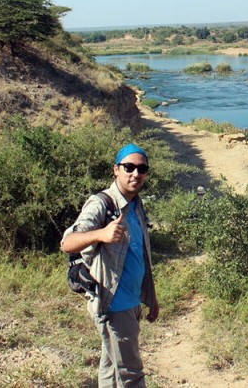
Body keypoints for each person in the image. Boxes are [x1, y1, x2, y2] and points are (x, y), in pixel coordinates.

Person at [61, 143, 159, 387]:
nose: (136, 173)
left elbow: (140, 256)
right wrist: (100, 234)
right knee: (131, 375)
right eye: (129, 167)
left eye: (142, 168)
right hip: (114, 304)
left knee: (111, 368)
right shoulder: (101, 204)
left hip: (131, 301)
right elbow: (67, 242)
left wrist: (151, 297)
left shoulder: (136, 205)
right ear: (116, 170)